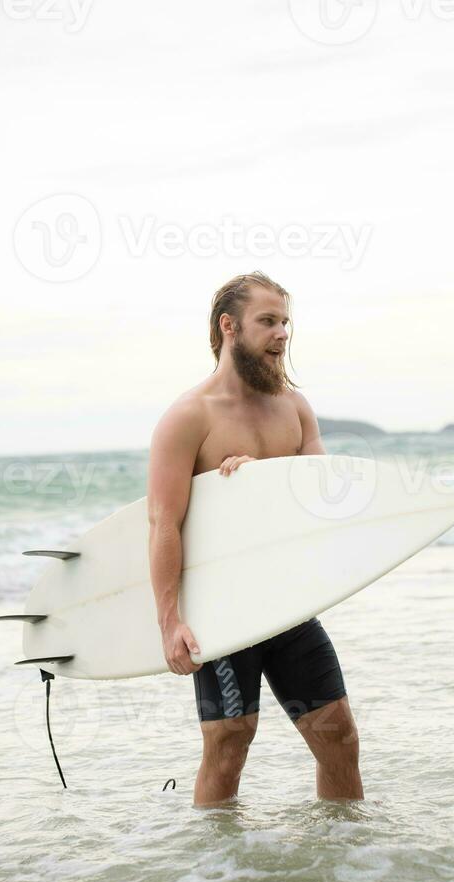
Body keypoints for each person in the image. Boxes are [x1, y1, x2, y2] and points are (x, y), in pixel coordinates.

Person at [147, 271, 363, 806]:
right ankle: (217, 876)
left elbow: (322, 502)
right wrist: (170, 621)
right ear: (229, 327)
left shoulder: (294, 407)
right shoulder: (188, 416)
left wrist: (264, 484)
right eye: (268, 321)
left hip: (288, 604)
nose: (282, 334)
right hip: (223, 609)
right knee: (229, 744)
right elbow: (163, 523)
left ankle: (350, 864)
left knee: (339, 738)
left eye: (285, 322)